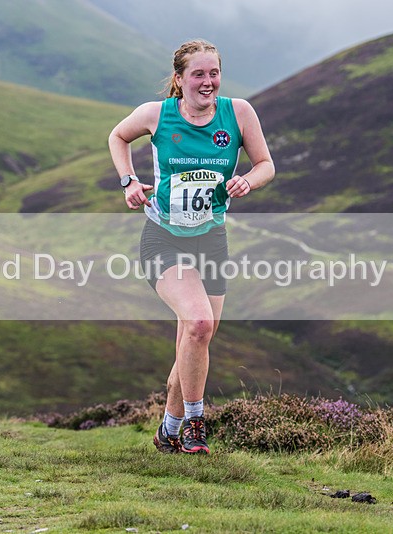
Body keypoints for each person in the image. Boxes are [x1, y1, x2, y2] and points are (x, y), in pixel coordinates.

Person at [108, 39, 275, 454]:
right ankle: (195, 423)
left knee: (196, 336)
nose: (208, 82)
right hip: (163, 238)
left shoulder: (238, 113)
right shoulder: (156, 115)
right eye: (198, 74)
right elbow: (117, 136)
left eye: (213, 73)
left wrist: (247, 181)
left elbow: (266, 165)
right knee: (198, 324)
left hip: (211, 240)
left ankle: (168, 426)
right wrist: (129, 181)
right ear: (179, 80)